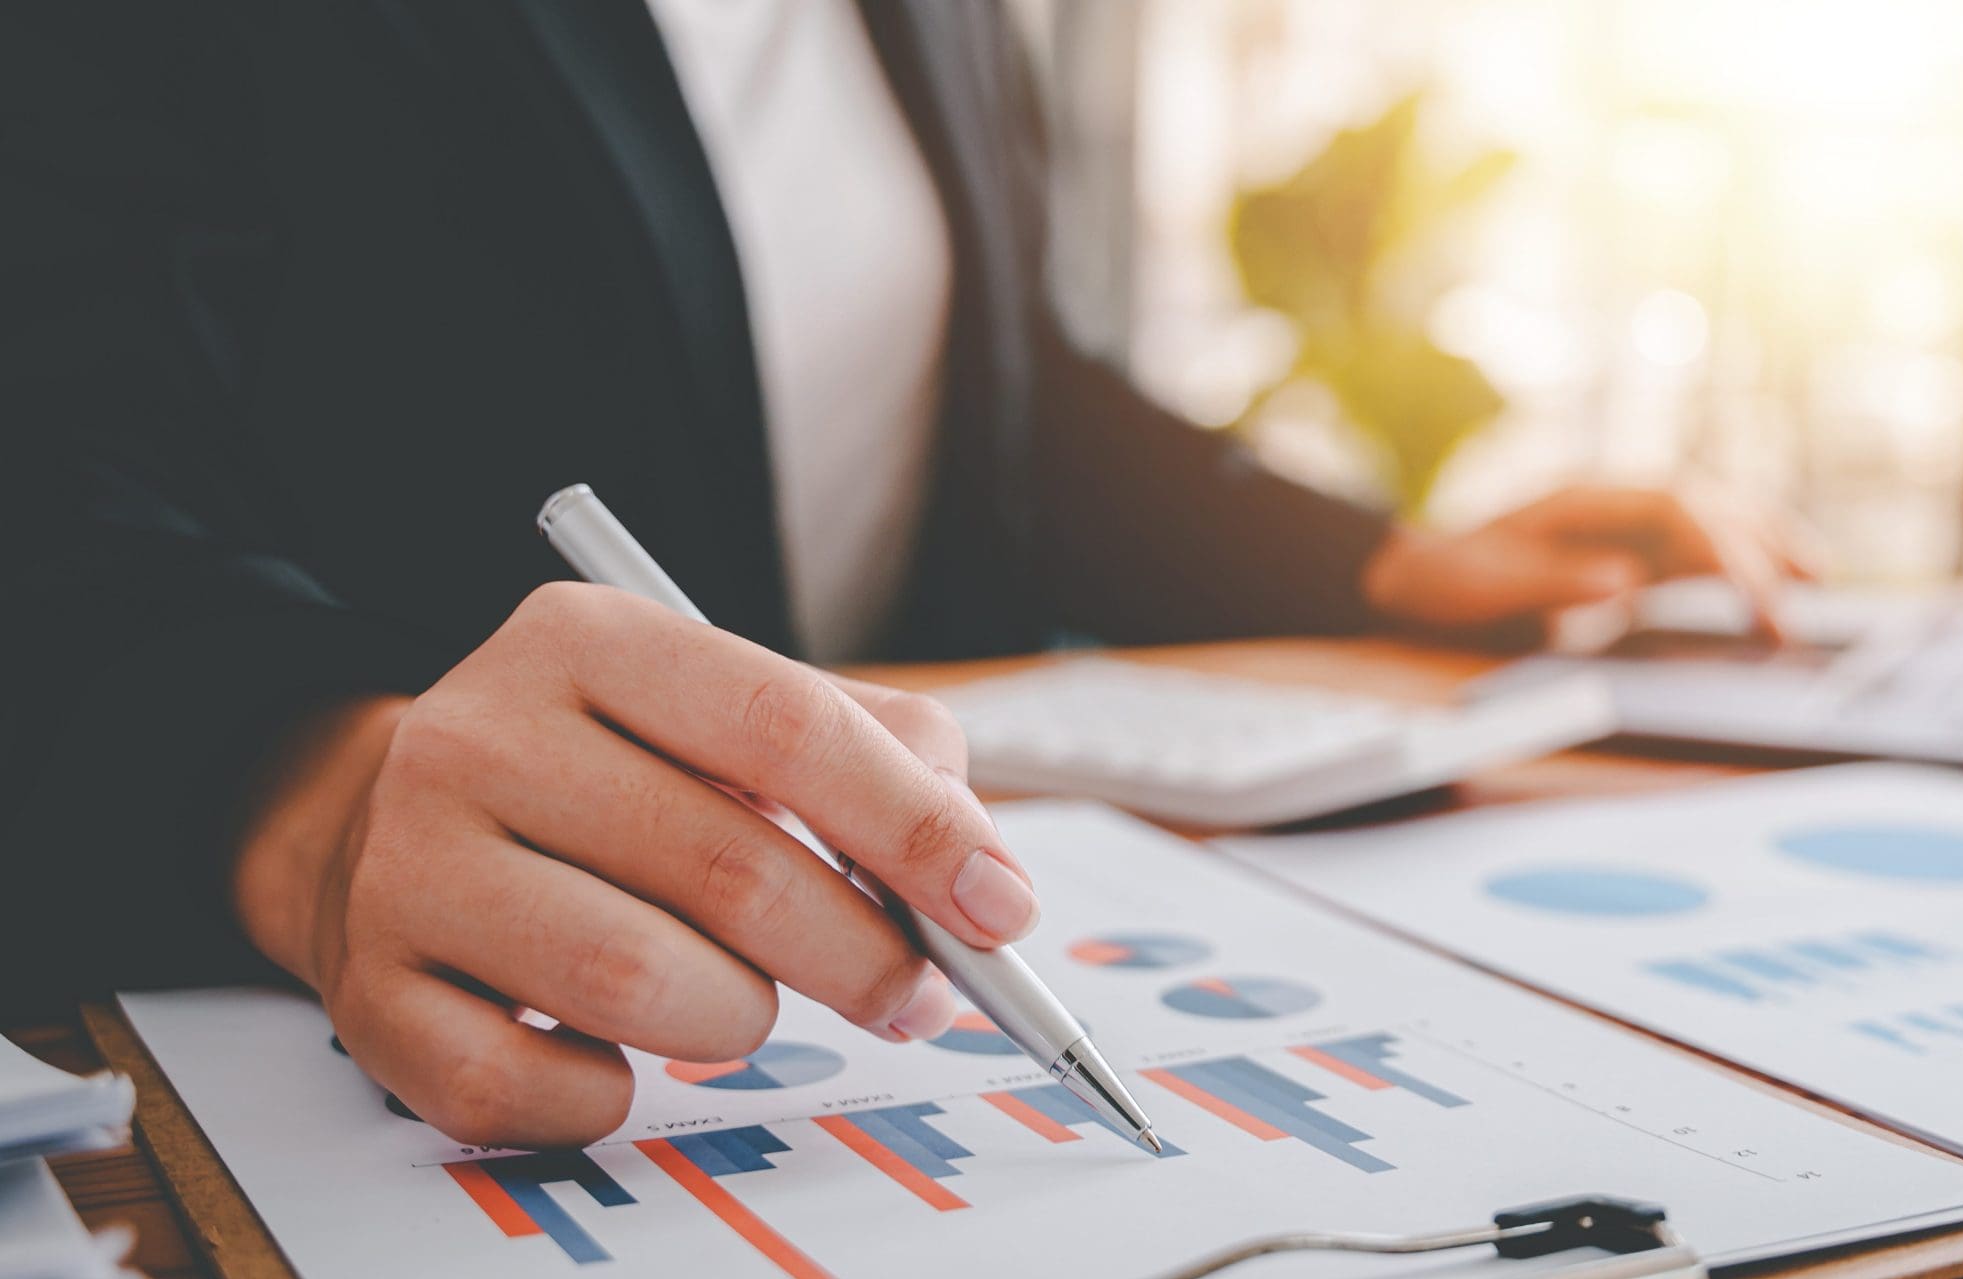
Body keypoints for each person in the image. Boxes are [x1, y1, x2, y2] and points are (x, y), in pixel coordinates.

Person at [1, 1, 1803, 1147]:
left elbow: (1008, 394)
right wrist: (299, 793)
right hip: (357, 958)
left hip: (878, 862)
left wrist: (1387, 555)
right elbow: (52, 432)